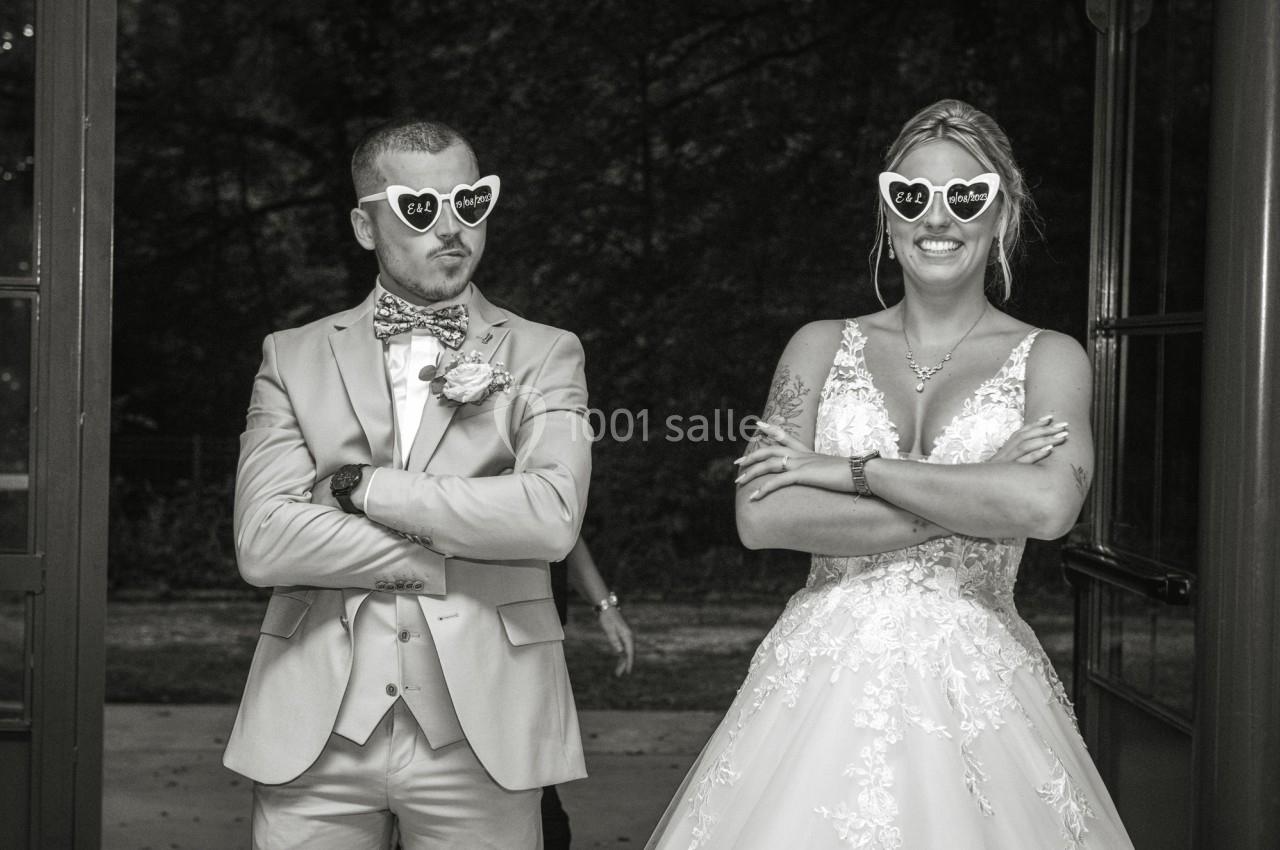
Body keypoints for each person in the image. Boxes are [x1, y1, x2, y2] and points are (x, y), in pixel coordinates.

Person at [645, 99, 1133, 849]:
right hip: (813, 692)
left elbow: (1045, 507)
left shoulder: (1052, 358)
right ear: (887, 216)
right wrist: (978, 490)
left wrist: (847, 469)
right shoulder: (815, 347)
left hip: (979, 699)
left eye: (965, 196)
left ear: (1000, 215)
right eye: (913, 196)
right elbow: (762, 516)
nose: (937, 218)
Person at [223, 118, 592, 849]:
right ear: (366, 225)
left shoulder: (548, 353)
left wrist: (362, 486)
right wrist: (452, 549)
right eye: (421, 209)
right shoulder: (292, 357)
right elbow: (264, 542)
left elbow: (549, 519)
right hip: (314, 734)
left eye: (470, 203)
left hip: (485, 733)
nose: (451, 228)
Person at [542, 537, 635, 849]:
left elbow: (567, 525)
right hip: (482, 622)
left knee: (542, 798)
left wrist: (605, 606)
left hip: (539, 623)